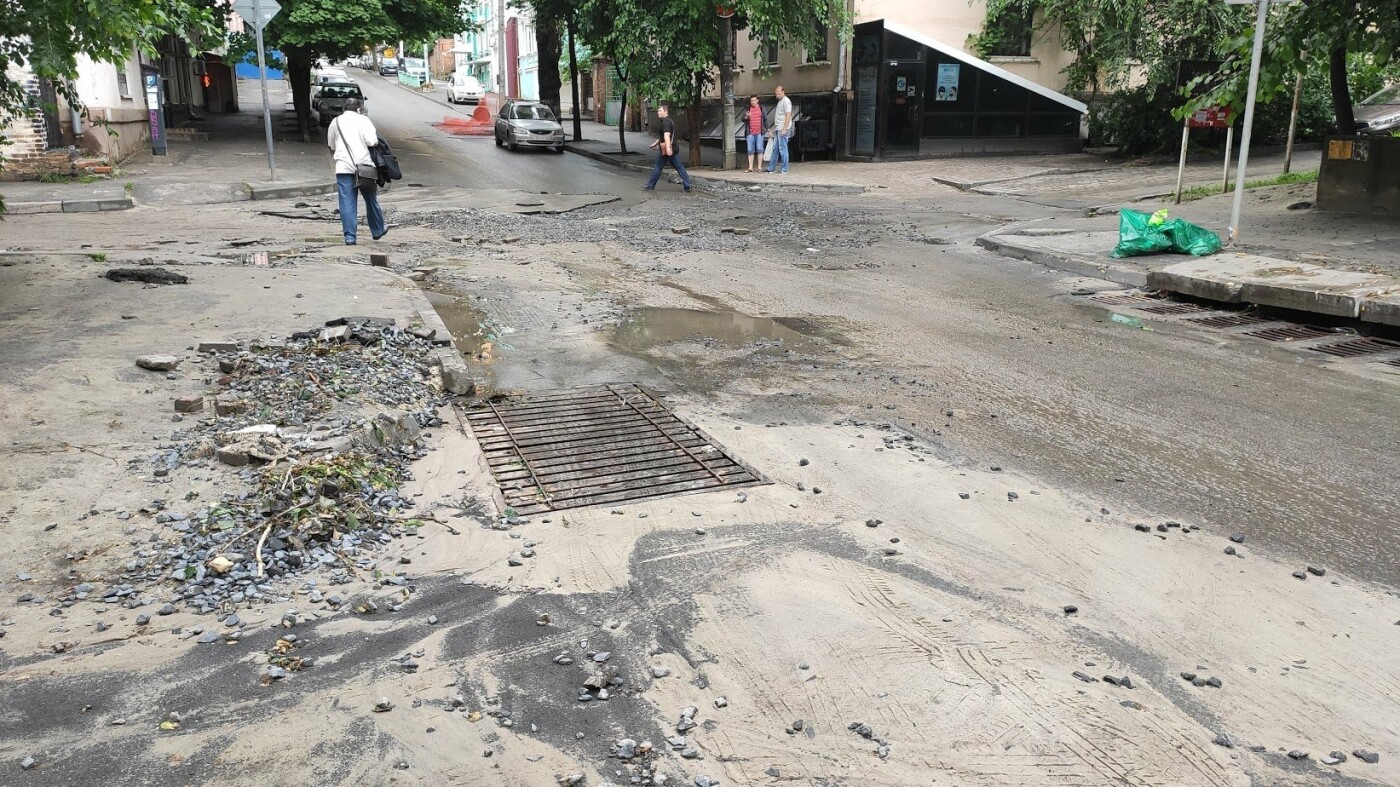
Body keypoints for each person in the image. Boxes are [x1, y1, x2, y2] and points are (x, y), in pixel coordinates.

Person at [326, 98, 386, 245]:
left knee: (346, 202)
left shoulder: (336, 122)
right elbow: (372, 141)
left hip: (343, 167)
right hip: (364, 167)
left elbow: (331, 144)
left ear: (343, 109)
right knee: (370, 198)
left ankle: (350, 237)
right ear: (358, 109)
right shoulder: (364, 121)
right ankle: (377, 230)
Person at [644, 103, 692, 192]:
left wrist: (668, 149)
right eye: (658, 110)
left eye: (660, 111)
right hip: (671, 148)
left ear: (665, 111)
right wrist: (655, 143)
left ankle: (650, 186)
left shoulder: (666, 122)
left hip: (667, 149)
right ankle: (687, 185)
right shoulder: (668, 121)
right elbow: (663, 136)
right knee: (679, 167)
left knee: (658, 167)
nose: (658, 112)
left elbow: (666, 135)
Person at [766, 85, 793, 174]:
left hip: (783, 128)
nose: (777, 96)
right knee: (776, 148)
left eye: (778, 94)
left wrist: (784, 129)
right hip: (779, 128)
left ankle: (784, 169)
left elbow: (788, 115)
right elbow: (779, 119)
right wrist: (773, 129)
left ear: (783, 92)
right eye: (776, 94)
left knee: (782, 148)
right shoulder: (780, 102)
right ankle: (771, 168)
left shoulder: (786, 101)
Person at [743, 95, 765, 173]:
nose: (752, 102)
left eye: (754, 100)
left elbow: (765, 119)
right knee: (750, 150)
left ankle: (759, 167)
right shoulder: (748, 108)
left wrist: (768, 129)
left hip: (759, 132)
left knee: (759, 149)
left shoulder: (761, 108)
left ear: (757, 100)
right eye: (751, 101)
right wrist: (747, 116)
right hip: (750, 133)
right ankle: (750, 167)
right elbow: (743, 119)